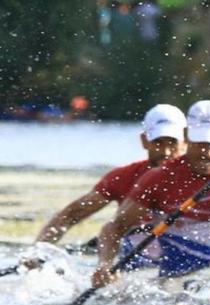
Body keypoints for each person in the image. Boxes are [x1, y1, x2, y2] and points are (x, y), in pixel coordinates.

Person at [91, 100, 210, 287]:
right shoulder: (159, 177)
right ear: (185, 135)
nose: (206, 152)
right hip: (177, 278)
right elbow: (114, 228)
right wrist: (106, 265)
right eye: (199, 143)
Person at [36, 104, 187, 245]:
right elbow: (70, 216)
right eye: (158, 143)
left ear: (186, 142)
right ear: (144, 140)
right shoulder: (122, 178)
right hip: (134, 252)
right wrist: (37, 252)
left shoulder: (203, 180)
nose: (166, 152)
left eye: (172, 143)